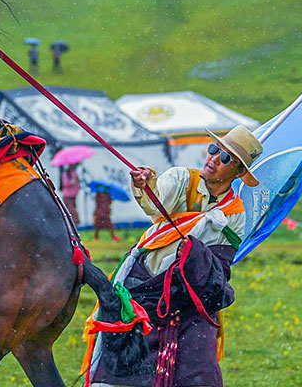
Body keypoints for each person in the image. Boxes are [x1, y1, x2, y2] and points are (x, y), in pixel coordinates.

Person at [86, 125, 262, 387]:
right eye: (214, 149)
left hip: (191, 300)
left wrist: (193, 255)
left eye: (225, 158)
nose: (213, 159)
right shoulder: (182, 179)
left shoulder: (235, 214)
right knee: (124, 371)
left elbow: (220, 267)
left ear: (238, 173)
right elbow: (155, 198)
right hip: (144, 289)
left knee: (198, 374)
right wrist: (145, 183)